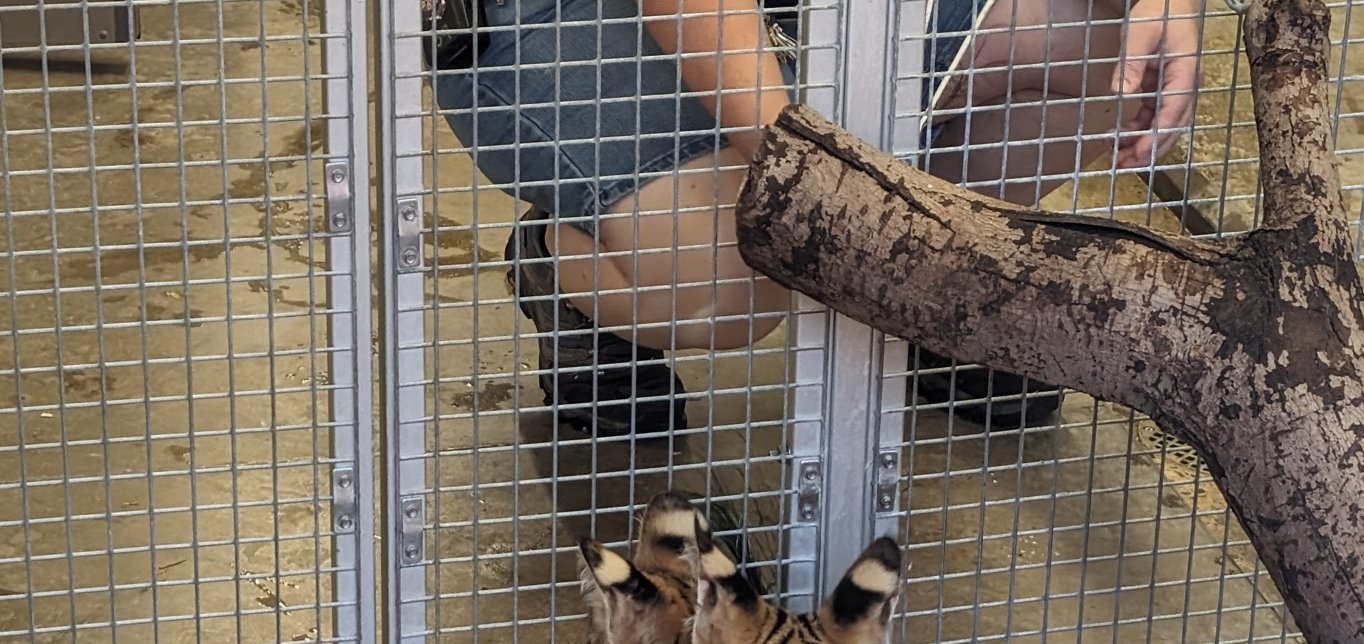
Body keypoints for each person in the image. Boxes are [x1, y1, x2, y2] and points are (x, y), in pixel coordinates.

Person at [429, 0, 1200, 437]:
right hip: (559, 15)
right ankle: (561, 263)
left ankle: (930, 291)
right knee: (734, 271)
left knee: (1118, 51)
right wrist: (814, 184)